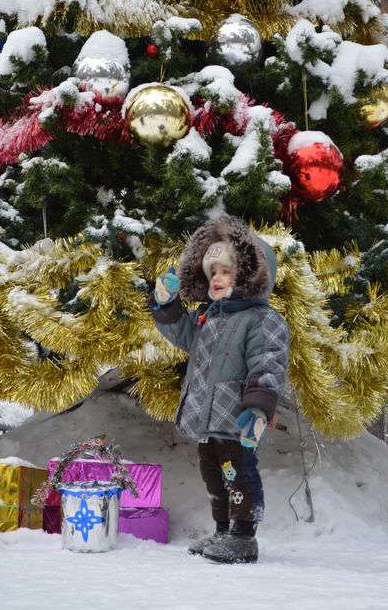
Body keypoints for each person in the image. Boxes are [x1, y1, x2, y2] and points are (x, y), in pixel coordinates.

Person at [147, 214, 290, 563]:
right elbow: (184, 335)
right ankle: (223, 531)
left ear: (250, 276)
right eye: (213, 273)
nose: (218, 279)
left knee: (238, 475)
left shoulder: (263, 320)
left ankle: (242, 537)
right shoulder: (209, 319)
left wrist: (259, 407)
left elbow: (267, 363)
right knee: (214, 476)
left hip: (236, 420)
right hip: (206, 421)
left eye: (226, 271)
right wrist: (166, 305)